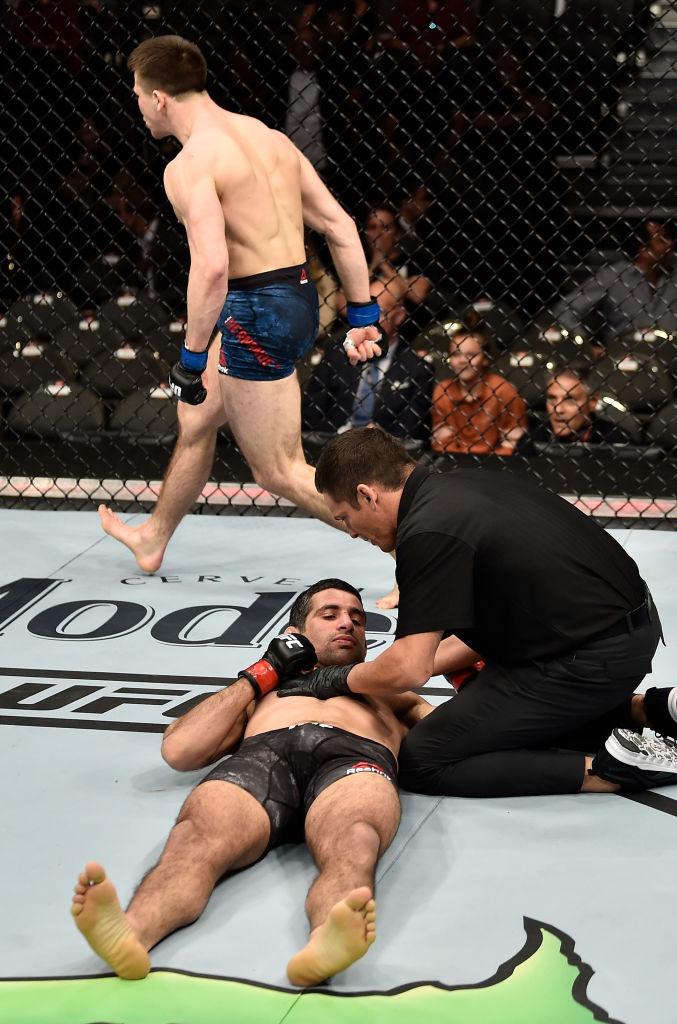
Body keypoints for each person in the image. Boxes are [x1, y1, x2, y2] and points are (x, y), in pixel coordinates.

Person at [96, 35, 383, 573]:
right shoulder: (266, 136)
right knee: (199, 419)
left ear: (160, 98)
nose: (136, 106)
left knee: (279, 469)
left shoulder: (188, 166)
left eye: (137, 95)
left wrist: (191, 356)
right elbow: (341, 228)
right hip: (296, 295)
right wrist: (364, 316)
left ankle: (415, 552)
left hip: (256, 312)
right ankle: (154, 537)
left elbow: (210, 269)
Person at [70, 578, 438, 987]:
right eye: (329, 615)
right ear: (295, 634)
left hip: (353, 759)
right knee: (197, 836)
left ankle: (326, 942)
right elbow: (180, 749)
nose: (348, 624)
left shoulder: (390, 689)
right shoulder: (265, 689)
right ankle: (132, 931)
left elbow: (450, 737)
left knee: (355, 837)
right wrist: (261, 675)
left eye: (357, 617)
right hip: (264, 758)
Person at [277, 428, 677, 798]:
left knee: (425, 760)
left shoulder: (426, 533)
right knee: (489, 707)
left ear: (367, 495)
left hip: (590, 657)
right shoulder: (459, 484)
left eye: (345, 517)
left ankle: (611, 770)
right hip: (618, 628)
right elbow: (468, 637)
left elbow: (409, 670)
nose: (350, 532)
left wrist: (336, 678)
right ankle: (652, 710)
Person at [303, 277, 434, 441]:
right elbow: (311, 413)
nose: (367, 320)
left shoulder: (416, 367)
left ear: (399, 316)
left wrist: (381, 439)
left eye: (377, 312)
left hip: (386, 455)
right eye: (364, 311)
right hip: (332, 445)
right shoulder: (336, 355)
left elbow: (413, 428)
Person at [552, 220, 677, 345]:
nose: (670, 244)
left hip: (669, 356)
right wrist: (586, 346)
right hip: (623, 356)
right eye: (662, 240)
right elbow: (565, 310)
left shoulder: (673, 278)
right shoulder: (614, 276)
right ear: (644, 249)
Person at [431, 321, 527, 455]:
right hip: (452, 464)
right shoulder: (443, 390)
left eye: (471, 355)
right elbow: (441, 443)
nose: (462, 360)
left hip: (496, 465)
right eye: (456, 354)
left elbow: (512, 444)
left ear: (485, 358)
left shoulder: (503, 390)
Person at [515, 357, 633, 455]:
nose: (558, 409)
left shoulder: (617, 441)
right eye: (552, 399)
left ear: (592, 402)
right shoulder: (532, 440)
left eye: (570, 400)